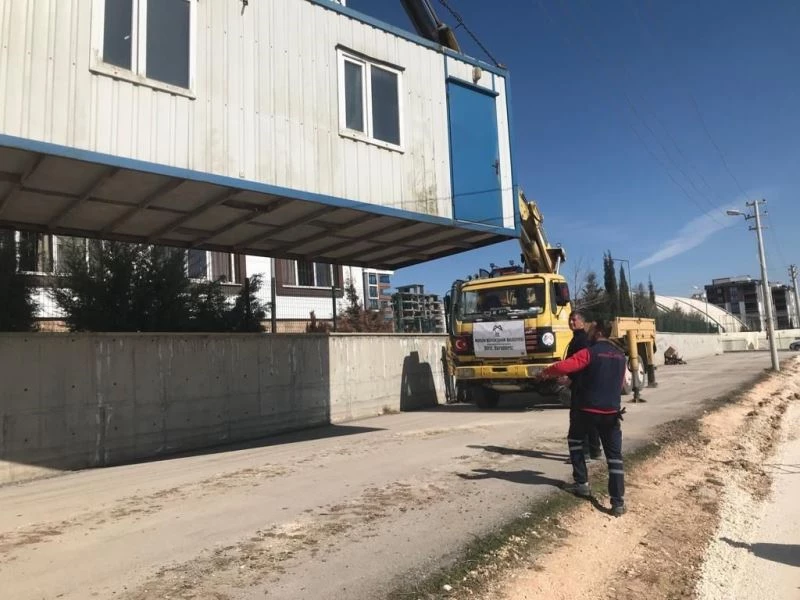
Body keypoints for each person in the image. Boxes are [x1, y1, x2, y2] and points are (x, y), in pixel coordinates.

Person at [539, 319, 627, 516]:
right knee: (614, 458)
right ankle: (618, 502)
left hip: (587, 411)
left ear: (597, 332)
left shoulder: (590, 352)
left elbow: (565, 366)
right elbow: (620, 383)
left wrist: (546, 372)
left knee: (575, 441)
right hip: (612, 414)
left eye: (591, 328)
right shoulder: (621, 356)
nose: (587, 330)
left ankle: (582, 483)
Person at [565, 311, 602, 462]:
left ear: (581, 322)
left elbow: (578, 363)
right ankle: (595, 450)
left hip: (580, 385)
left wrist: (570, 378)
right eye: (570, 320)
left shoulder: (580, 340)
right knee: (590, 418)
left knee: (579, 419)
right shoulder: (582, 339)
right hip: (586, 384)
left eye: (574, 320)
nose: (571, 323)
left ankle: (584, 452)